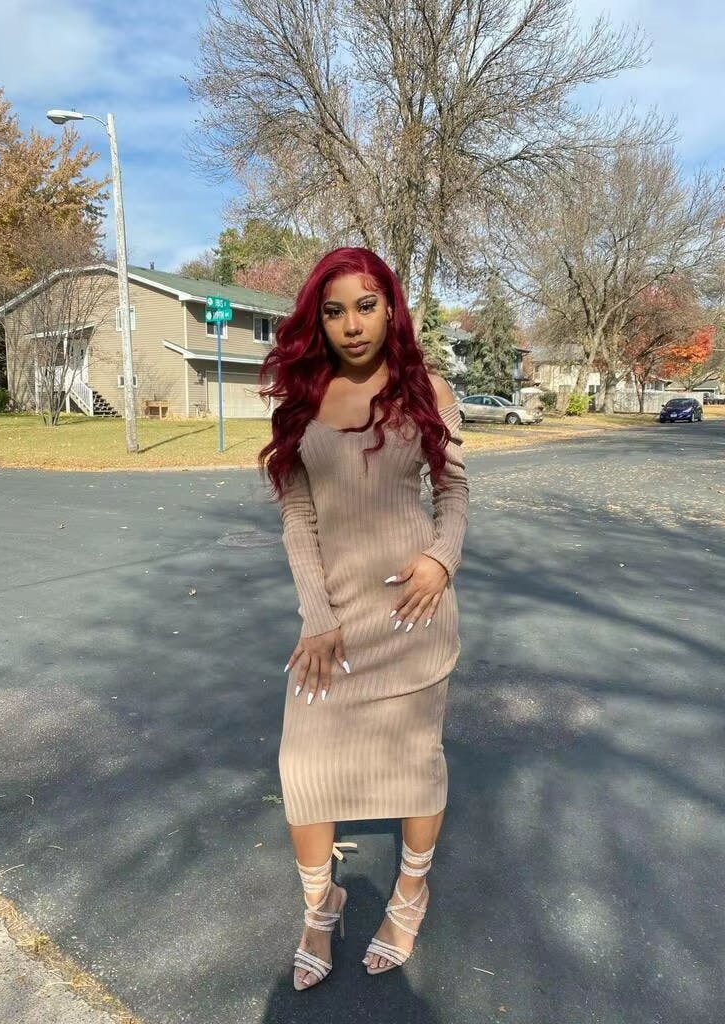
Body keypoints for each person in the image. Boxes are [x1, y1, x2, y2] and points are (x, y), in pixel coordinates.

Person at [257, 247, 469, 988]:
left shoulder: (427, 391)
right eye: (335, 310)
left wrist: (441, 560)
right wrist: (317, 617)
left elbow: (454, 493)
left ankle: (410, 895)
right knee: (303, 766)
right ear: (317, 320)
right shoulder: (300, 403)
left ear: (390, 310)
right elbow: (298, 519)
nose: (353, 325)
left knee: (416, 766)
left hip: (414, 617)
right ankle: (322, 905)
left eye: (367, 306)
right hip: (335, 627)